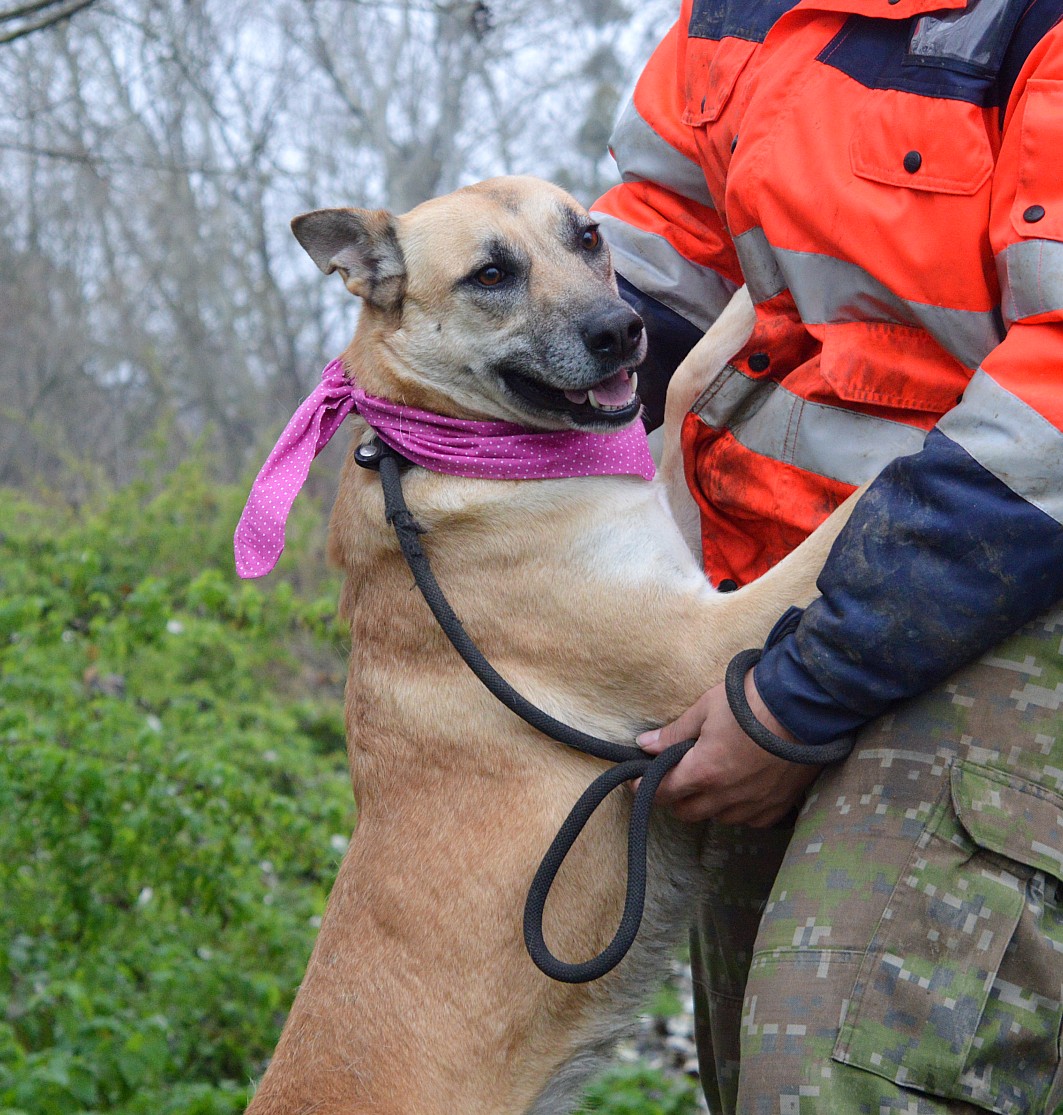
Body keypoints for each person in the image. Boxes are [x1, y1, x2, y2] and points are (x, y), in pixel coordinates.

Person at [590, 0, 1063, 1110]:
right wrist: (472, 411)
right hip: (778, 602)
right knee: (753, 1070)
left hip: (1013, 592)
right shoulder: (736, 16)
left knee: (831, 1080)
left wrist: (797, 697)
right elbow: (662, 251)